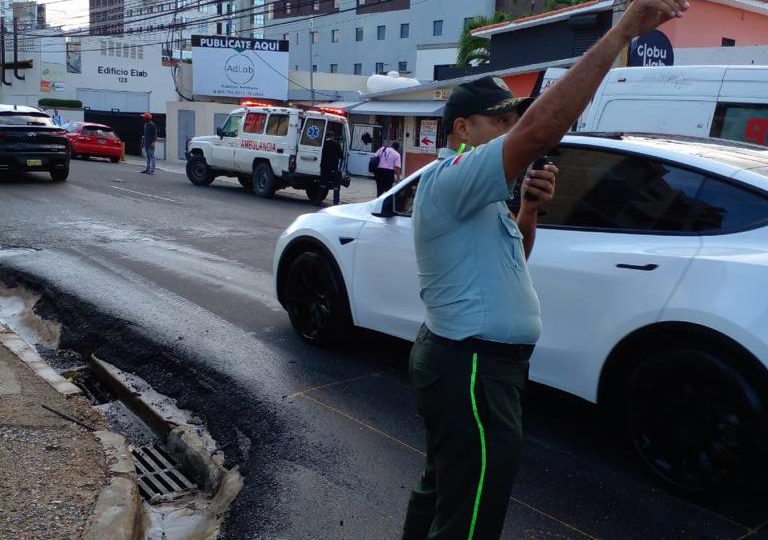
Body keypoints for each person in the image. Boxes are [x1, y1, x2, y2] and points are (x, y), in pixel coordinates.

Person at [401, 0, 689, 537]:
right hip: (471, 369)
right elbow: (540, 130)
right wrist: (624, 29)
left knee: (447, 488)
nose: (513, 128)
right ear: (461, 128)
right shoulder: (454, 178)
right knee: (472, 514)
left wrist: (529, 211)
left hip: (478, 367)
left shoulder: (482, 197)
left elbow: (515, 260)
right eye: (502, 120)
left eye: (515, 117)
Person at [321, 130, 343, 205]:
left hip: (324, 167)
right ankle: (336, 201)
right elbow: (341, 155)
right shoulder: (336, 144)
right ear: (333, 137)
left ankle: (318, 200)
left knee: (323, 184)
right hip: (333, 167)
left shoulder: (324, 144)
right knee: (336, 185)